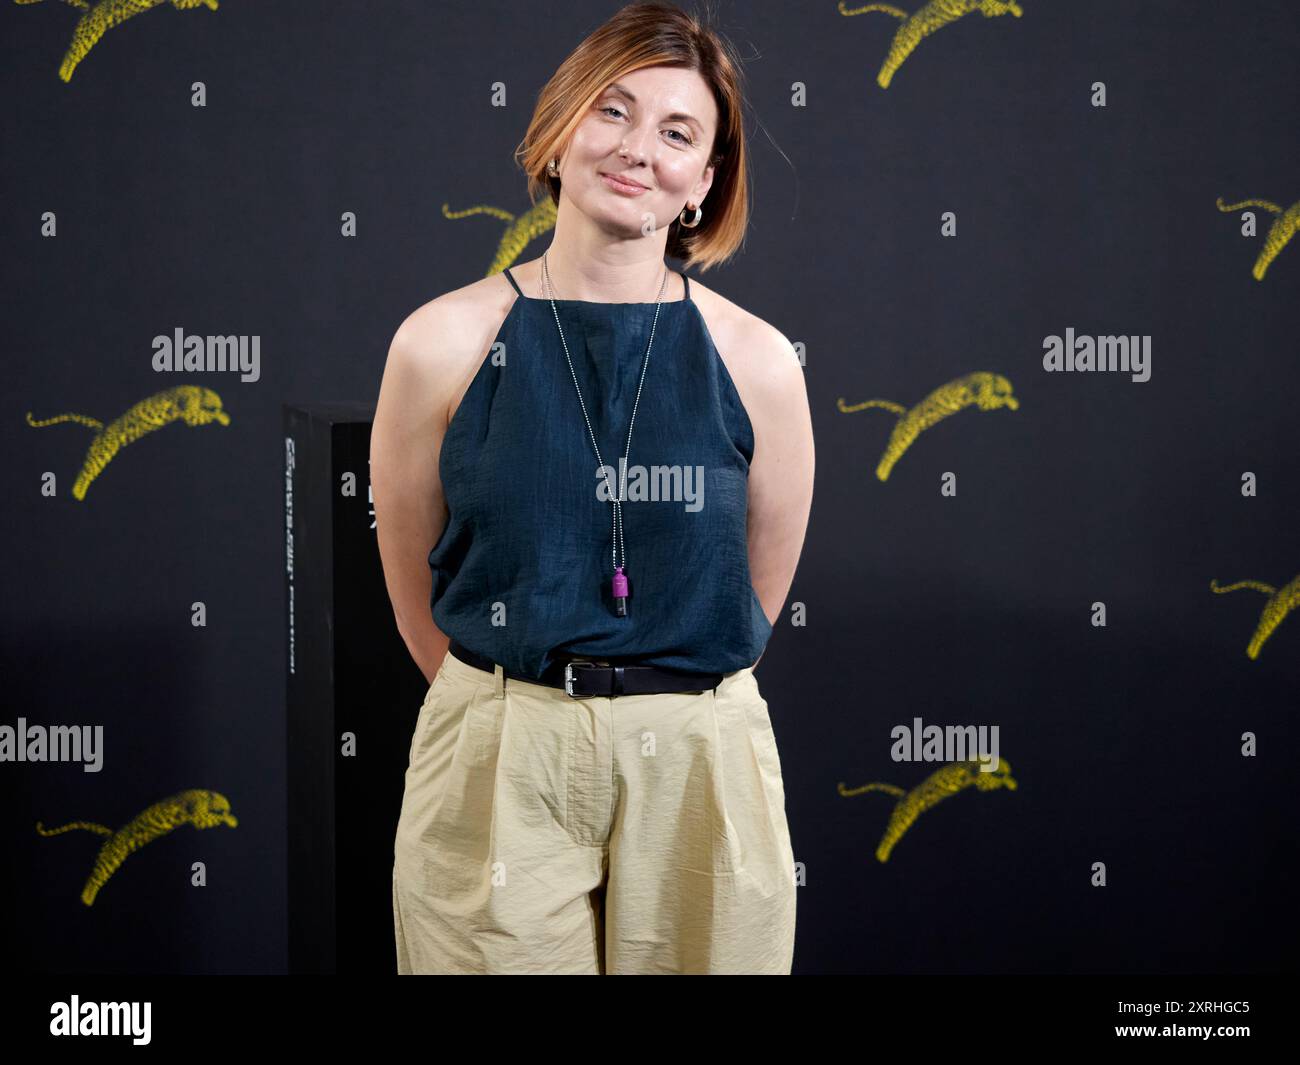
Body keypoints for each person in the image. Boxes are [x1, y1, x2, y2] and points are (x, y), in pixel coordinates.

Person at [371, 0, 814, 974]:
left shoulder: (757, 361)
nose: (636, 149)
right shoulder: (440, 341)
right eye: (612, 111)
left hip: (700, 761)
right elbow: (416, 588)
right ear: (560, 128)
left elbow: (754, 592)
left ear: (703, 181)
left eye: (677, 132)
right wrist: (514, 712)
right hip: (499, 753)